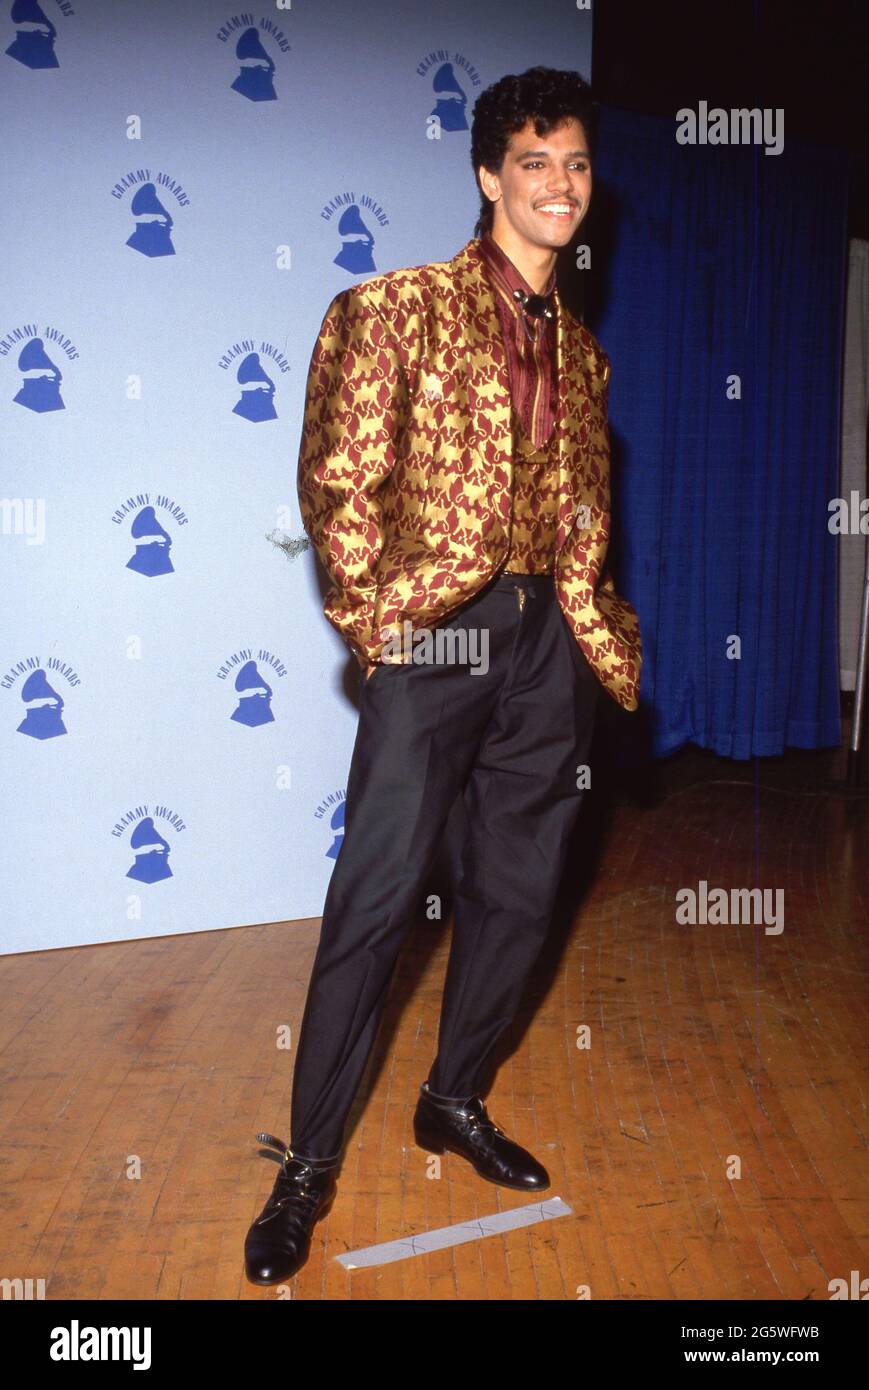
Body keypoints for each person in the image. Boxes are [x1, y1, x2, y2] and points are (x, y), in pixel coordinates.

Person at [244, 65, 642, 1286]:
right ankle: (308, 1162)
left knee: (519, 893)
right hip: (441, 631)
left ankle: (451, 1096)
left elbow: (584, 505)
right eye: (533, 162)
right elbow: (335, 486)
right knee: (376, 902)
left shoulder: (583, 357)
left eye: (573, 163)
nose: (558, 185)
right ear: (486, 177)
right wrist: (384, 629)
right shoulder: (393, 308)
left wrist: (582, 623)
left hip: (545, 641)